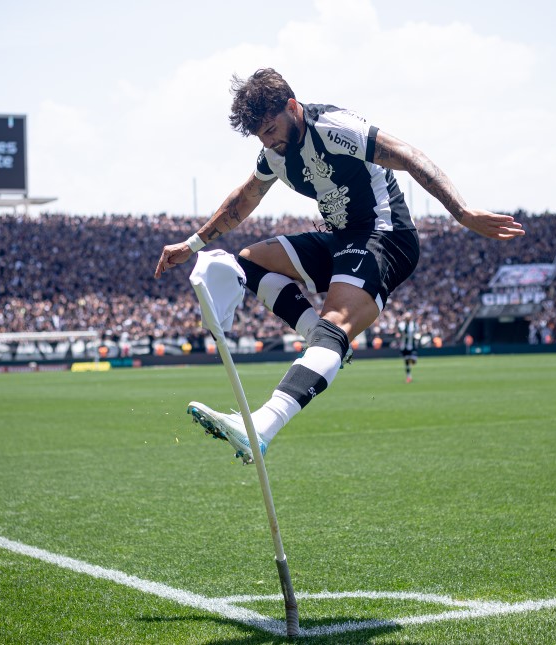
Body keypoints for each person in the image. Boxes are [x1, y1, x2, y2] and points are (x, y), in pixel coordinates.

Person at [155, 68, 525, 463]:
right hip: (342, 239)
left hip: (385, 236)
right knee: (252, 262)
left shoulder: (334, 127)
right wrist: (192, 245)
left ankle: (262, 425)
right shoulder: (274, 156)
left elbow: (410, 156)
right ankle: (327, 344)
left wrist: (462, 212)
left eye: (270, 128)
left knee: (335, 326)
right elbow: (241, 201)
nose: (268, 140)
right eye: (259, 135)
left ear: (292, 107)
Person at [396, 311, 419, 383]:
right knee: (406, 362)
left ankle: (409, 374)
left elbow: (417, 332)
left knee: (413, 360)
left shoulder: (414, 324)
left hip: (412, 345)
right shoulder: (402, 325)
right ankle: (409, 377)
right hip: (404, 346)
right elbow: (401, 332)